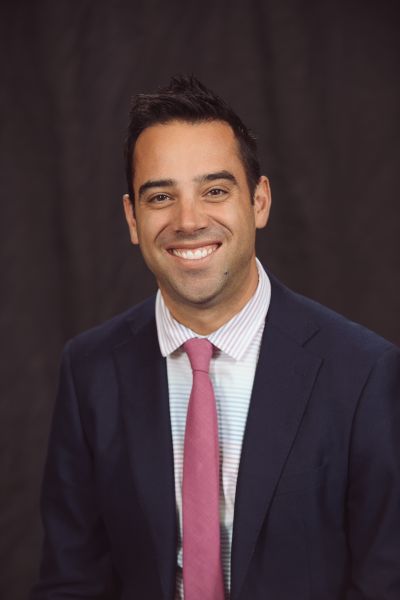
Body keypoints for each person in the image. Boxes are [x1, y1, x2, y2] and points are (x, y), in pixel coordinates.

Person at [31, 75, 400, 600]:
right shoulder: (89, 371)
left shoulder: (364, 372)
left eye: (215, 191)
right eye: (161, 196)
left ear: (259, 201)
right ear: (132, 218)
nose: (188, 221)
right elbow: (72, 582)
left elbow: (386, 580)